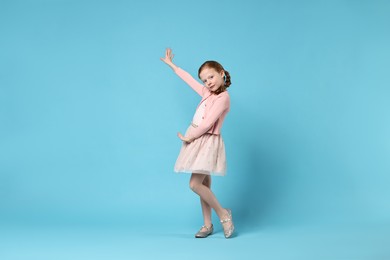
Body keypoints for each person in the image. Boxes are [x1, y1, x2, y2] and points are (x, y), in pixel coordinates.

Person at [160, 48, 234, 238]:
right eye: (204, 80)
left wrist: (190, 137)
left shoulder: (223, 98)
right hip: (196, 138)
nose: (208, 82)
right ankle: (207, 225)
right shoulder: (206, 92)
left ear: (222, 73)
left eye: (211, 77)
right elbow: (188, 80)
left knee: (194, 184)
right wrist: (173, 66)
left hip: (207, 141)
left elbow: (208, 123)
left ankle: (223, 213)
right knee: (204, 185)